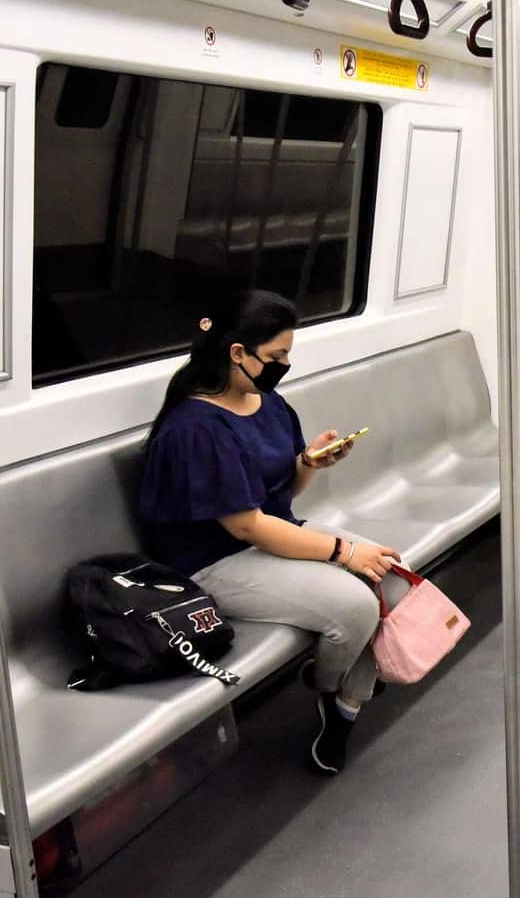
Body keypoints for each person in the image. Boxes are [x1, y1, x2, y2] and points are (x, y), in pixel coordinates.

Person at [138, 289, 403, 777]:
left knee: (391, 577)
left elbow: (280, 497)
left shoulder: (267, 402)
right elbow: (245, 524)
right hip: (213, 562)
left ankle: (347, 699)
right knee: (357, 605)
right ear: (237, 353)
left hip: (268, 535)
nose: (284, 364)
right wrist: (344, 551)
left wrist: (307, 463)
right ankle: (329, 687)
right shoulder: (197, 427)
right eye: (276, 355)